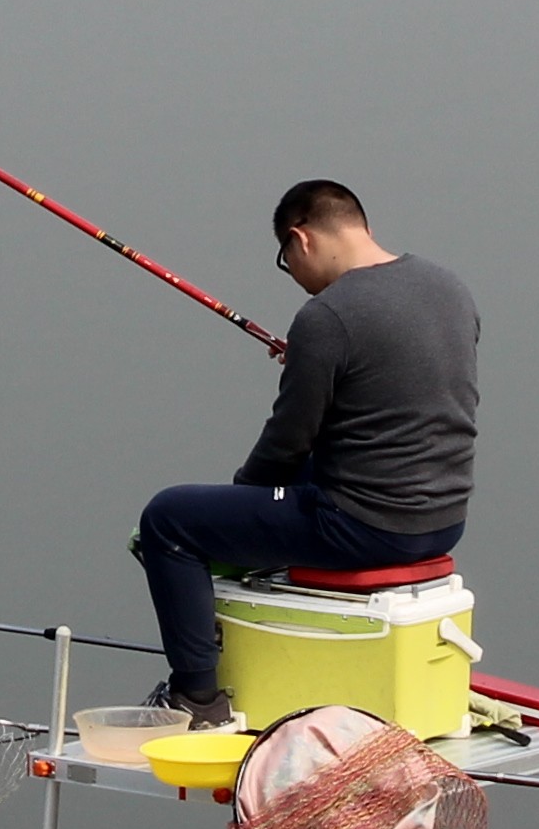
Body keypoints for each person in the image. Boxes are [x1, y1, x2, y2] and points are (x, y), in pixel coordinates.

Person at [133, 181, 478, 727]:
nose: (292, 273)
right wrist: (319, 364)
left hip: (364, 526)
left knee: (170, 519)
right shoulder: (446, 287)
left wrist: (244, 498)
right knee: (289, 489)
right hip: (441, 518)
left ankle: (196, 699)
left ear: (301, 239)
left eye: (285, 258)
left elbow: (288, 442)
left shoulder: (328, 317)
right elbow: (401, 388)